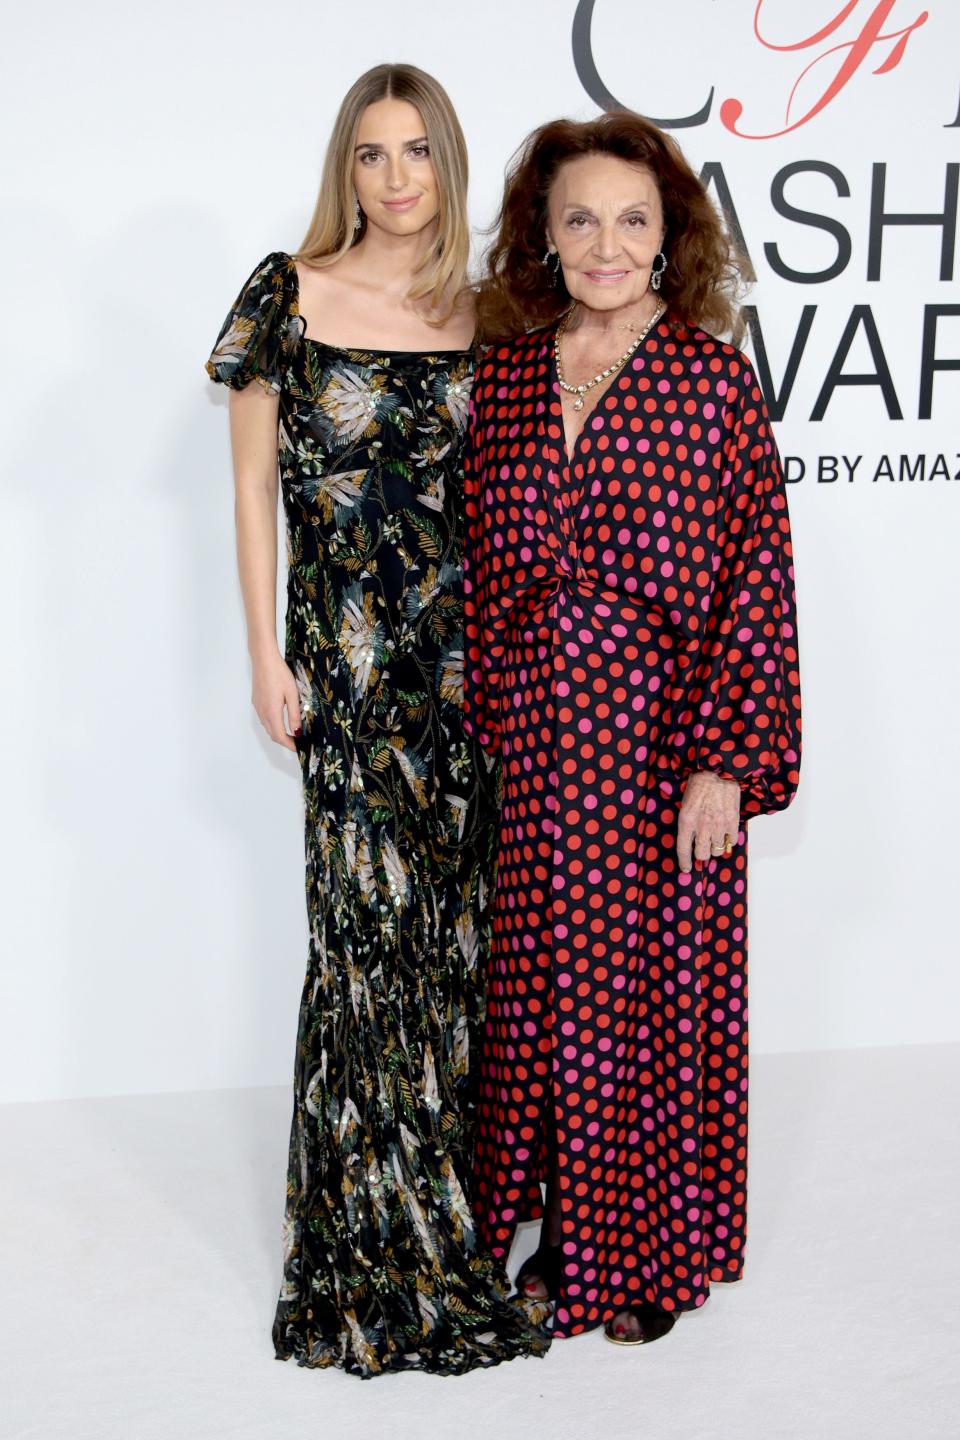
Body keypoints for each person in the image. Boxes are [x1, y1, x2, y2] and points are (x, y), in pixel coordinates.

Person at [205, 63, 547, 1377]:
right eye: (371, 153)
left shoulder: (491, 312)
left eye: (416, 152)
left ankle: (442, 1233)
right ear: (344, 168)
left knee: (452, 944)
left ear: (445, 165)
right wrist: (264, 659)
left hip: (471, 681)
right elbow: (250, 496)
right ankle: (358, 1253)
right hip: (345, 675)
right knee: (366, 947)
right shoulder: (285, 294)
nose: (396, 178)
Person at [463, 111, 802, 1346]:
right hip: (536, 746)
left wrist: (726, 762)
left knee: (650, 1004)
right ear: (545, 237)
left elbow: (755, 582)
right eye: (581, 218)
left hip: (663, 748)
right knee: (542, 1002)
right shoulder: (504, 375)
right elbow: (479, 576)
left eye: (634, 219)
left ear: (671, 236)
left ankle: (650, 1254)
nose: (607, 243)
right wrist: (489, 718)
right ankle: (555, 1234)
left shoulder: (711, 376)